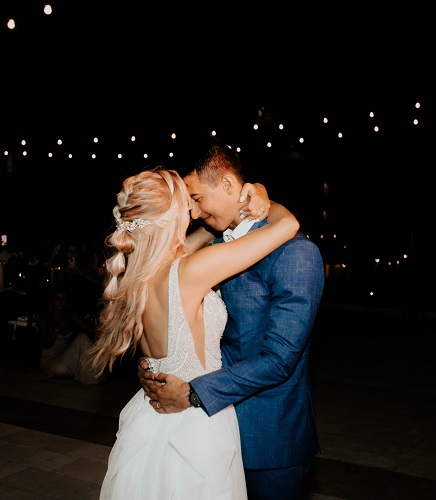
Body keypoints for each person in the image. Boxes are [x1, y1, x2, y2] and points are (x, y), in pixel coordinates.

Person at [88, 166, 295, 499]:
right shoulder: (189, 271)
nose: (196, 211)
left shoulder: (136, 275)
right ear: (171, 217)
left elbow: (198, 241)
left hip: (152, 418)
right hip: (196, 422)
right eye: (189, 205)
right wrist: (265, 201)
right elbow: (288, 226)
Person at [138, 137, 326, 500]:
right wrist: (158, 362)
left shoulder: (297, 254)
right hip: (211, 432)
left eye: (196, 199)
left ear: (226, 184)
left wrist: (192, 393)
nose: (193, 212)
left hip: (268, 439)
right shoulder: (214, 246)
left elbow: (279, 359)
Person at [36, 285, 103, 384]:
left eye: (63, 299)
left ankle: (97, 375)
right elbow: (46, 344)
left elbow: (91, 333)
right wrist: (57, 328)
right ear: (52, 302)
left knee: (83, 338)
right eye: (57, 299)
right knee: (82, 339)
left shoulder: (70, 317)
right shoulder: (45, 319)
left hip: (67, 358)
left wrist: (79, 320)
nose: (60, 302)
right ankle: (93, 378)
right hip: (50, 362)